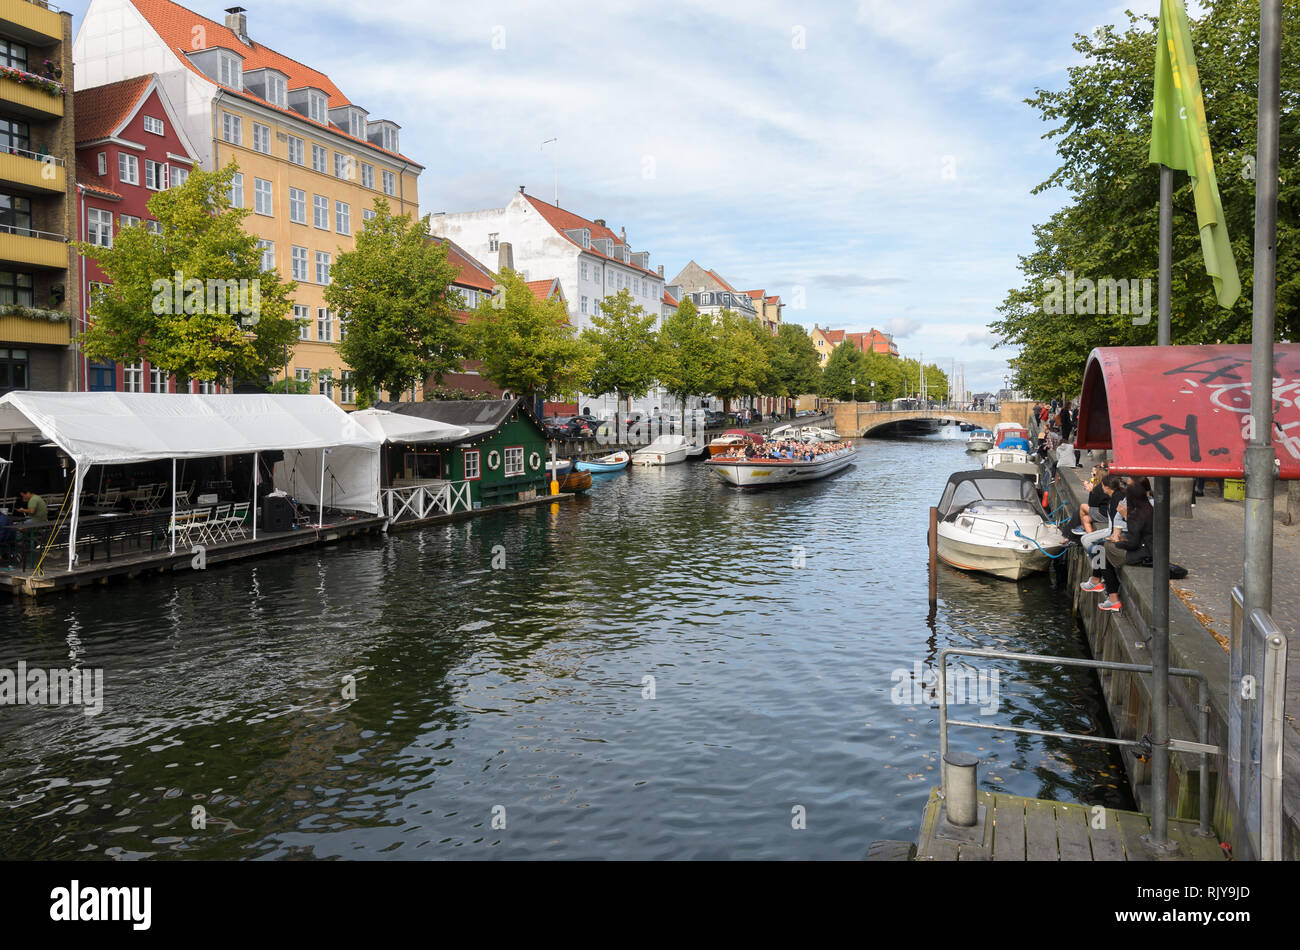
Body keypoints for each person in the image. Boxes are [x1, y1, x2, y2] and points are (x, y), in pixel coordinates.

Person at [1089, 482, 1153, 613]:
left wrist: (1126, 517)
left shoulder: (1149, 507)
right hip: (1140, 547)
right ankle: (1109, 594)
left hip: (1142, 553)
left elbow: (1138, 536)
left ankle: (1104, 589)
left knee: (1101, 548)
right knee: (1101, 548)